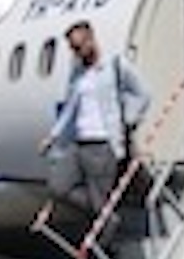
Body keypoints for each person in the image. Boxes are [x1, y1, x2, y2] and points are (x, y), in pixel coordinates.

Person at [37, 20, 150, 244]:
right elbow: (70, 108)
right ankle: (107, 214)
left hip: (102, 144)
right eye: (72, 48)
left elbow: (143, 93)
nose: (75, 53)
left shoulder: (115, 65)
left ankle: (104, 241)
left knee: (99, 202)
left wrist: (129, 119)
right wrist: (53, 136)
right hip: (79, 142)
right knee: (58, 187)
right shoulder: (77, 72)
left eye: (78, 47)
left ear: (91, 41)